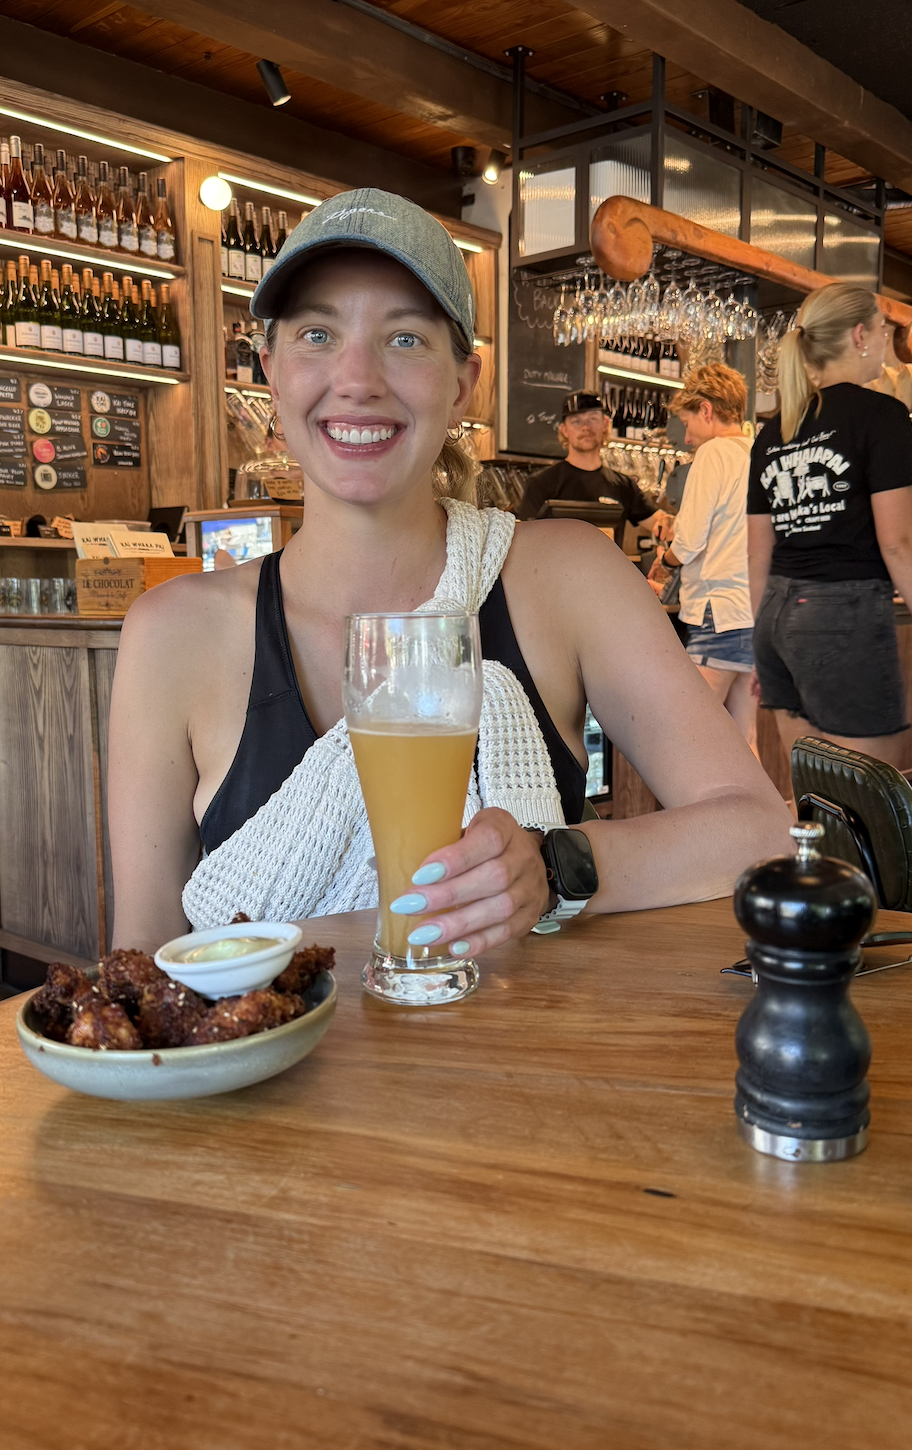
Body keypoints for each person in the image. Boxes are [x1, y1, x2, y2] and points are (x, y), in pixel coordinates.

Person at [107, 188, 791, 957]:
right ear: (270, 372)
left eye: (404, 339)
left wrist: (555, 866)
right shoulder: (171, 633)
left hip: (515, 1067)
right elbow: (142, 964)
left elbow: (758, 830)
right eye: (318, 334)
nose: (357, 377)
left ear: (466, 383)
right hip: (270, 1072)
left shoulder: (564, 575)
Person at [748, 282, 912, 771]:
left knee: (817, 798)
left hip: (779, 617)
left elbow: (758, 554)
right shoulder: (881, 416)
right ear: (861, 334)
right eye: (885, 331)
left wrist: (764, 644)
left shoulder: (774, 432)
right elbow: (901, 544)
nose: (887, 342)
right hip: (843, 613)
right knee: (871, 805)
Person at [648, 364, 757, 753]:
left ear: (707, 410)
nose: (687, 435)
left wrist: (667, 558)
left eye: (687, 421)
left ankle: (702, 816)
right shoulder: (756, 451)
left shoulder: (713, 453)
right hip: (753, 613)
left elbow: (690, 540)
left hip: (719, 612)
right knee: (743, 739)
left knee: (695, 740)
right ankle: (765, 816)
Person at [516, 392, 670, 549]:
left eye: (592, 419)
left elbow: (661, 523)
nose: (585, 427)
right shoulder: (541, 483)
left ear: (605, 424)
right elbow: (526, 545)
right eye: (576, 421)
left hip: (608, 572)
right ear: (564, 430)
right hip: (558, 573)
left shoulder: (624, 486)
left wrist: (668, 523)